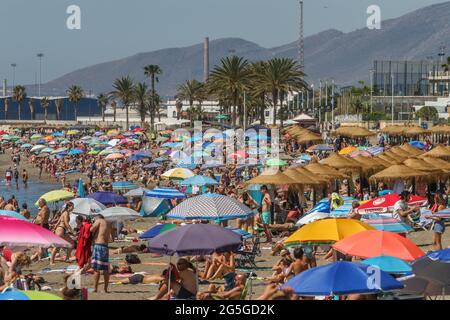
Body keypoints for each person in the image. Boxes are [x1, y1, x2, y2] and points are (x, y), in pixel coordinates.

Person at [90, 215, 111, 293]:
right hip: (105, 246)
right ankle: (105, 289)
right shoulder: (108, 223)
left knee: (96, 269)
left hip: (99, 245)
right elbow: (111, 237)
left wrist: (92, 224)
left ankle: (95, 288)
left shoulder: (99, 221)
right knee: (105, 269)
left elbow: (91, 229)